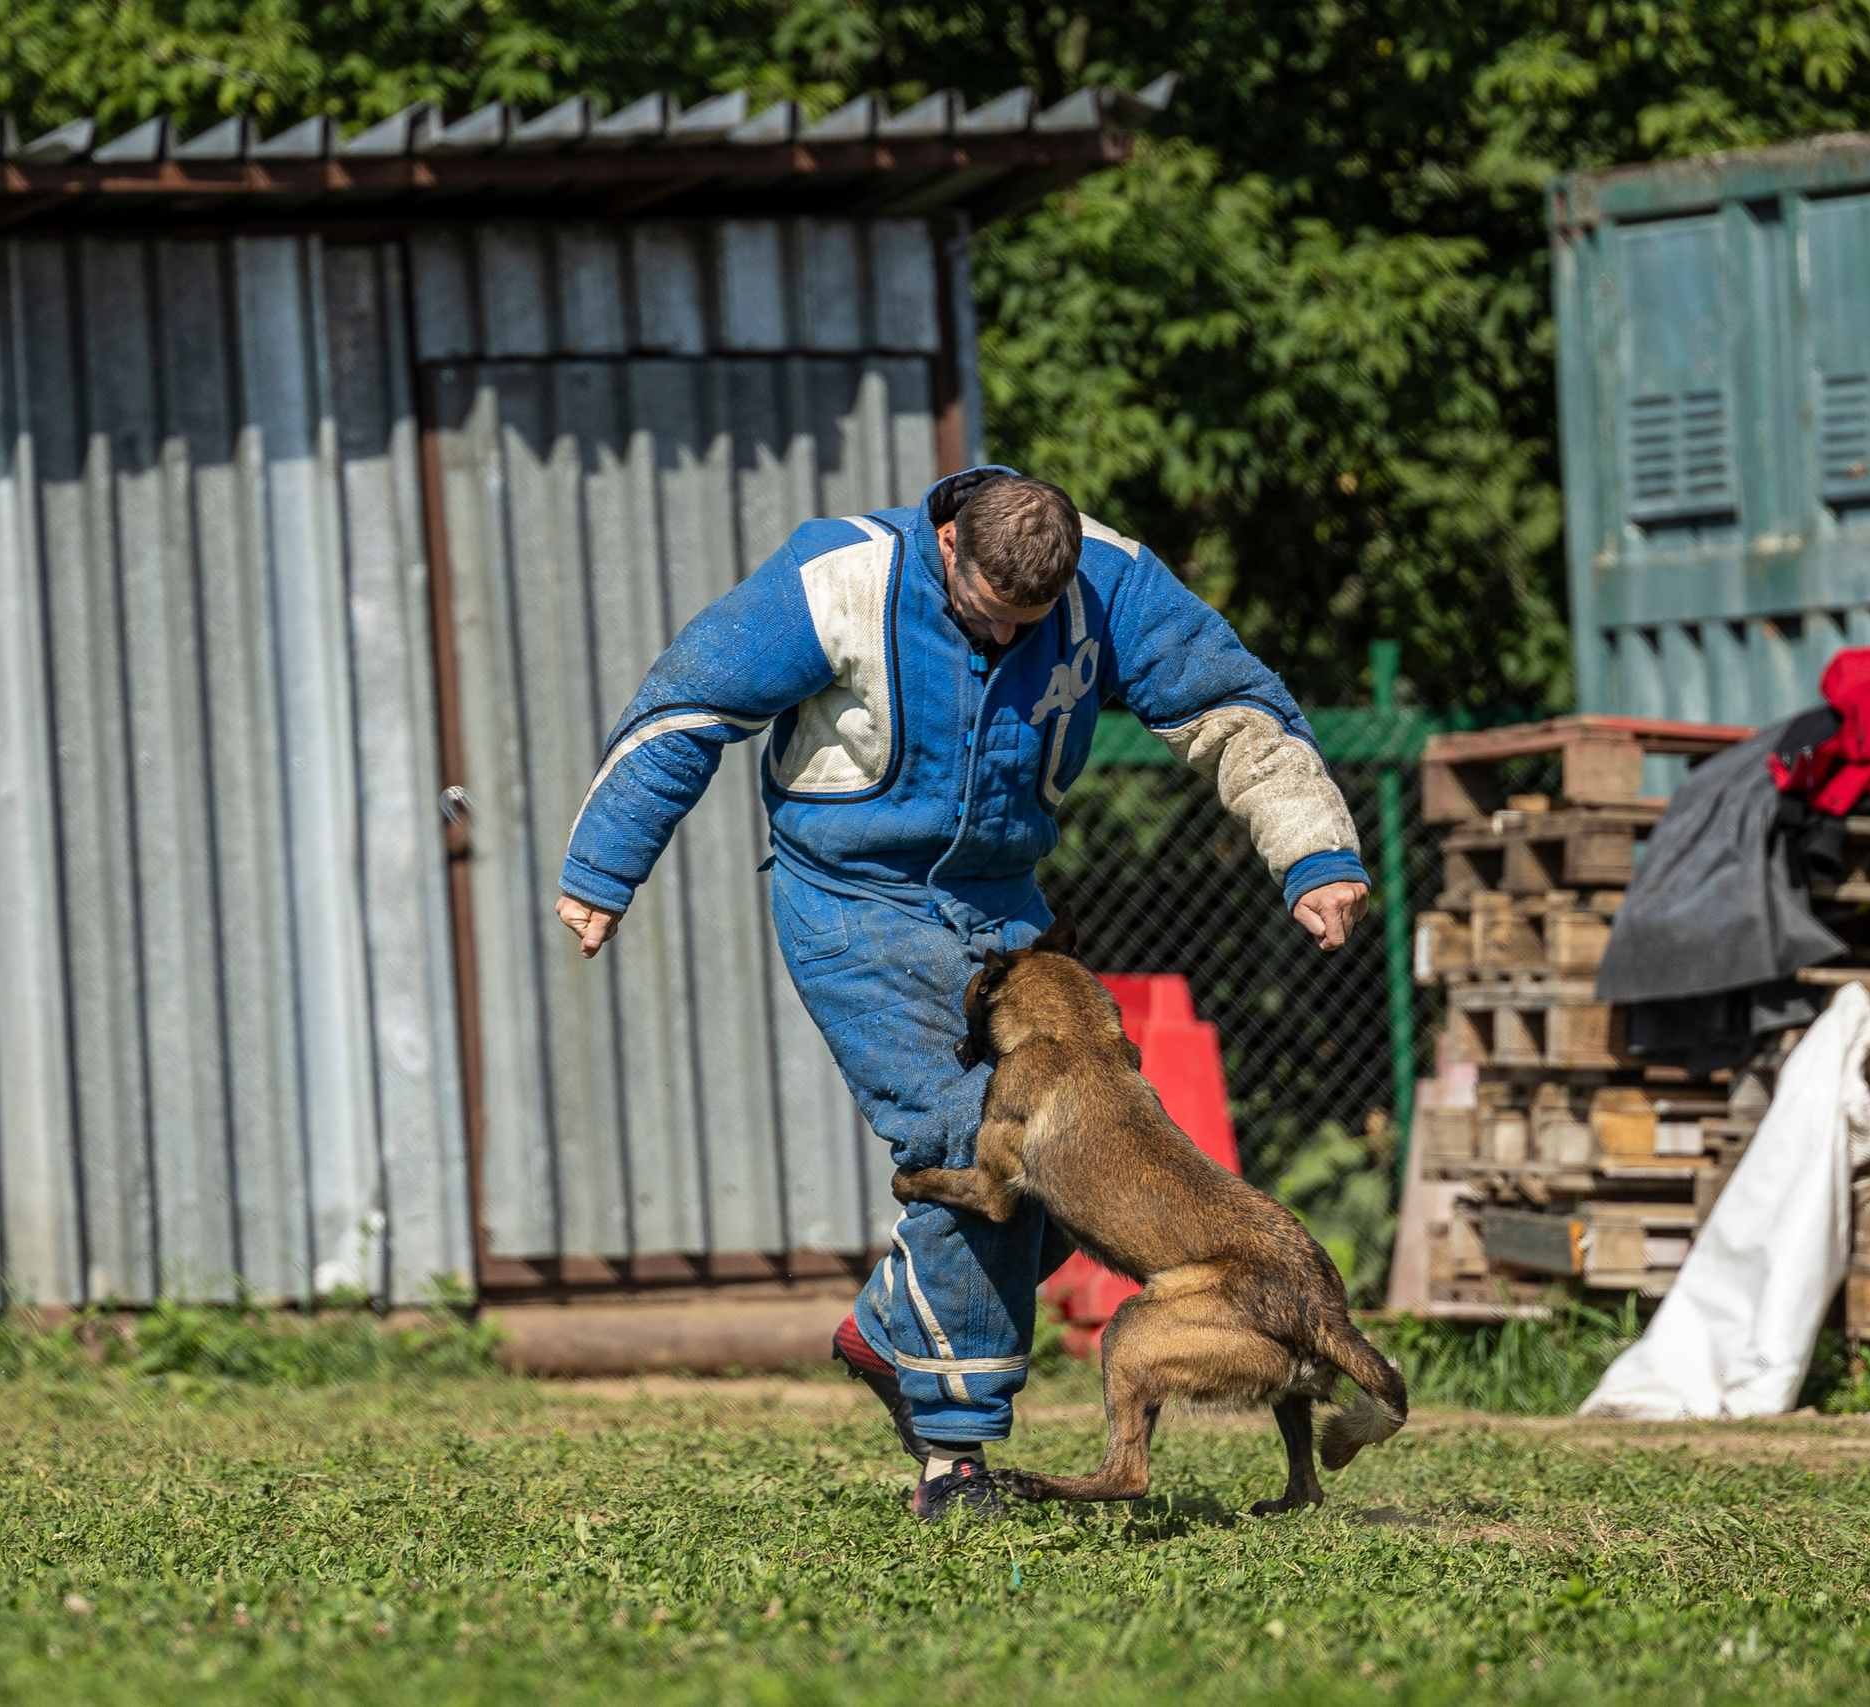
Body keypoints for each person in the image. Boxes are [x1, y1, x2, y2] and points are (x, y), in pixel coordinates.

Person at [554, 467, 1370, 1519]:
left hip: (1003, 901)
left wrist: (1314, 854)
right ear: (948, 543)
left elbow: (1235, 708)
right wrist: (603, 869)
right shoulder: (839, 575)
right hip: (853, 900)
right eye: (986, 615)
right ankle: (955, 1459)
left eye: (1028, 622)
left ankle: (890, 1326)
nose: (1003, 638)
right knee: (964, 1131)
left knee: (1084, 1152)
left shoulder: (1113, 583)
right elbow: (686, 704)